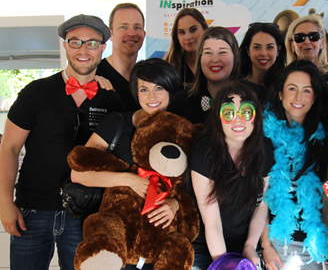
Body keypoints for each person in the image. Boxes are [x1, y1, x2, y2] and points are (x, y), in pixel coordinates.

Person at [0, 14, 123, 270]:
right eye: (75, 41)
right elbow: (9, 148)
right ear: (65, 45)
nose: (83, 50)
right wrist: (4, 202)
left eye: (92, 43)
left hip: (86, 214)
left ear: (103, 48)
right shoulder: (36, 92)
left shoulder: (112, 101)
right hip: (31, 211)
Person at [70, 58, 181, 270]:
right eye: (144, 89)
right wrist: (129, 180)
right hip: (121, 237)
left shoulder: (182, 130)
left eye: (159, 88)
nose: (152, 97)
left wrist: (175, 204)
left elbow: (191, 185)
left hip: (160, 242)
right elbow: (78, 173)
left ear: (171, 90)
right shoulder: (117, 123)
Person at [261, 60, 328, 270]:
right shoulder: (262, 137)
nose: (299, 97)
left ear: (315, 97)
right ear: (280, 93)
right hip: (271, 243)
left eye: (306, 91)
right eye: (292, 89)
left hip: (313, 247)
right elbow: (256, 196)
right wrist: (265, 246)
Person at [189, 82, 274, 270]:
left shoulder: (264, 149)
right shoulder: (205, 153)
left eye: (245, 112)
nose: (238, 120)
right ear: (218, 119)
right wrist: (224, 264)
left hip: (244, 242)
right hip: (204, 247)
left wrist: (250, 246)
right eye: (229, 113)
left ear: (255, 117)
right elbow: (212, 223)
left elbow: (261, 204)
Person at [168, 27, 261, 125]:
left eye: (222, 52)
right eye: (208, 52)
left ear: (235, 57)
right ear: (199, 58)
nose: (215, 59)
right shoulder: (180, 102)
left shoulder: (259, 96)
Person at [285, 14, 328, 115]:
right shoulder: (282, 79)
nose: (307, 42)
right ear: (292, 45)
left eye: (314, 36)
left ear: (322, 42)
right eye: (300, 37)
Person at [97, 2, 146, 110]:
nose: (131, 33)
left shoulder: (148, 78)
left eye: (137, 27)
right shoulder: (94, 75)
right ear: (111, 34)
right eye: (123, 27)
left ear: (144, 34)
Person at [164, 7, 209, 86]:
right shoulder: (168, 69)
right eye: (181, 32)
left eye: (193, 29)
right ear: (176, 36)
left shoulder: (216, 61)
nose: (188, 37)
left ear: (204, 29)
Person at [238, 22, 285, 90]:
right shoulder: (236, 86)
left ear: (278, 50)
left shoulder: (287, 85)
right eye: (257, 47)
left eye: (270, 47)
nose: (263, 53)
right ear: (248, 50)